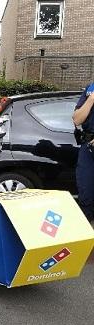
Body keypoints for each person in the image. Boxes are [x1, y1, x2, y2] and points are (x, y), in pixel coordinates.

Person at [72, 83, 94, 221]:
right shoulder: (89, 90)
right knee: (85, 195)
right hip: (88, 150)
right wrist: (91, 99)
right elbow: (77, 119)